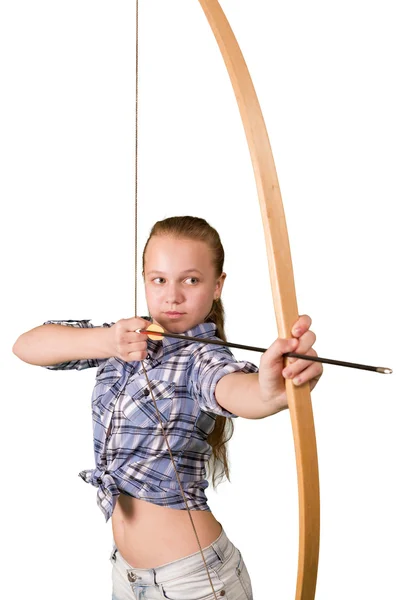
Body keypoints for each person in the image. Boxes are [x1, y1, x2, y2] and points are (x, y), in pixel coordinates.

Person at [12, 215, 322, 600]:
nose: (172, 296)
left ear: (217, 285)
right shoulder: (125, 337)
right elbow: (27, 346)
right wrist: (108, 341)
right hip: (127, 576)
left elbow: (235, 390)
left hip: (196, 582)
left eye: (190, 280)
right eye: (159, 279)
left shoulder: (203, 358)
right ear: (144, 278)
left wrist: (271, 391)